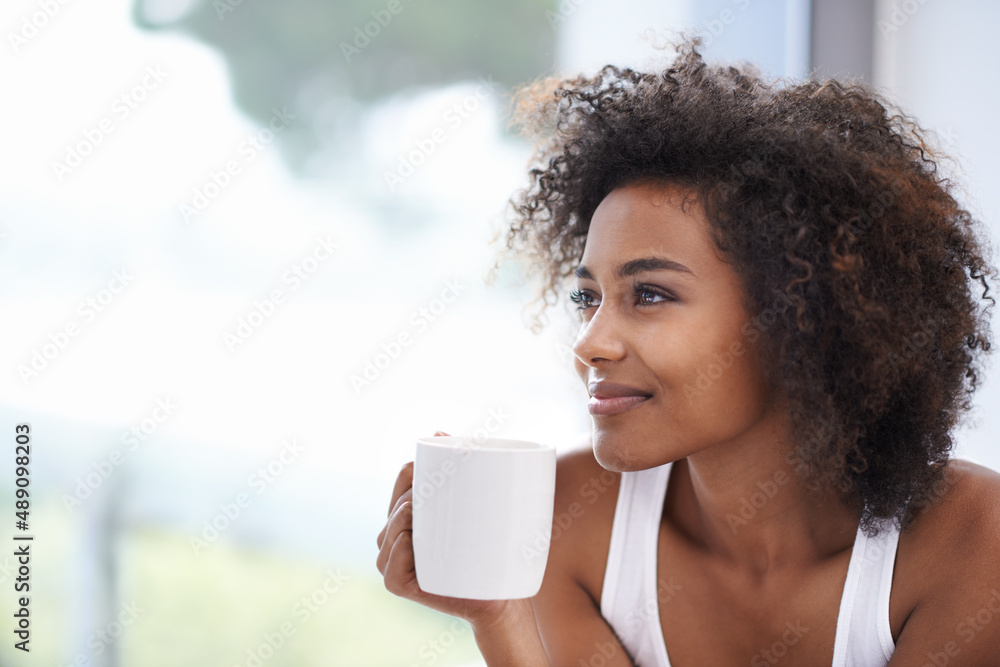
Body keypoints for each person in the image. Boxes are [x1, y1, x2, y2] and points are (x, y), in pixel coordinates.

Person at [376, 35, 1000, 665]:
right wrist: (498, 612)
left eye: (648, 294)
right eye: (587, 297)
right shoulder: (569, 519)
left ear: (799, 318)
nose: (590, 343)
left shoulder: (975, 541)